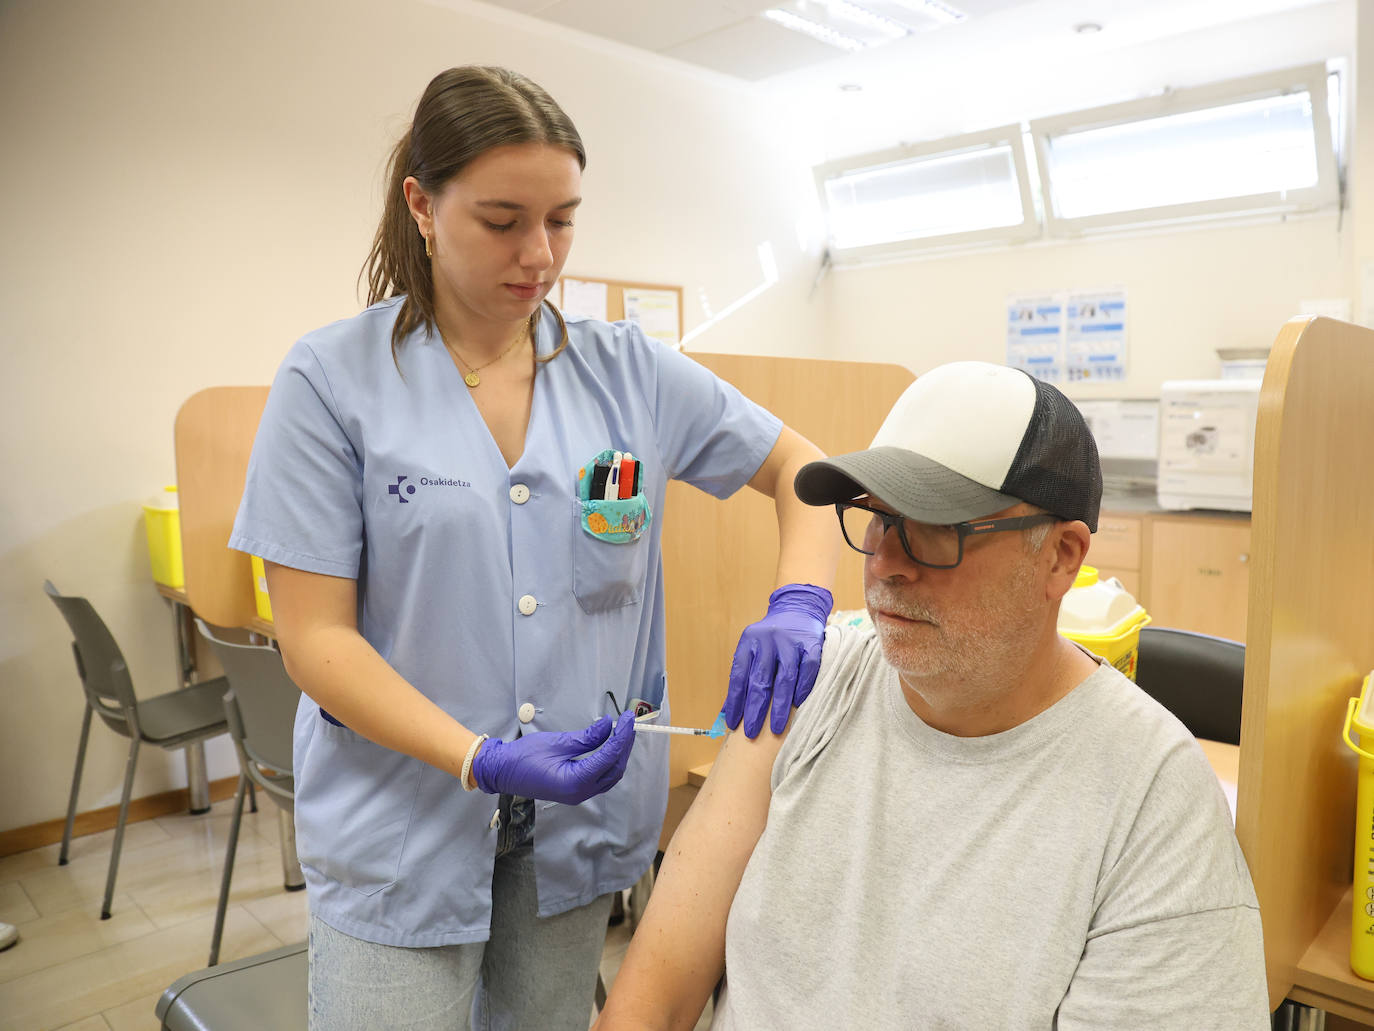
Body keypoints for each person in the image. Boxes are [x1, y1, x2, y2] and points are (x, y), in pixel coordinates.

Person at [229, 66, 837, 1030]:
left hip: (578, 829)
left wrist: (800, 602)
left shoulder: (628, 373)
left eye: (562, 220)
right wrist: (481, 758)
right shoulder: (331, 381)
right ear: (422, 206)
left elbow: (804, 469)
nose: (540, 254)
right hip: (402, 826)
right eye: (504, 220)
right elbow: (316, 643)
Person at [597, 361, 1270, 1029]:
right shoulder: (811, 680)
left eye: (936, 528)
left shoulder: (1151, 798)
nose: (887, 563)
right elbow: (651, 1002)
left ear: (1061, 555)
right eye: (876, 519)